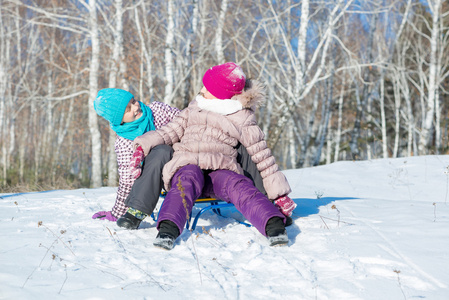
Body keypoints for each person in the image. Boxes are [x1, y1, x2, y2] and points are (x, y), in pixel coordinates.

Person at [132, 62, 295, 250]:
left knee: (238, 185)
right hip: (188, 163)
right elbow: (169, 132)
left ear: (220, 94)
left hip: (221, 168)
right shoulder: (194, 108)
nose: (201, 90)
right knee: (184, 181)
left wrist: (279, 194)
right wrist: (142, 146)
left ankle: (273, 224)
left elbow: (263, 157)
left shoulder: (241, 117)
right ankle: (168, 229)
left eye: (207, 87)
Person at [91, 87, 294, 229]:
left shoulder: (157, 110)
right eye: (128, 109)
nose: (135, 107)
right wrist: (117, 212)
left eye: (133, 101)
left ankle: (268, 202)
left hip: (193, 156)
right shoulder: (124, 143)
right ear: (119, 120)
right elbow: (128, 179)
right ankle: (137, 211)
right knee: (161, 150)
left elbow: (189, 122)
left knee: (241, 144)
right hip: (162, 177)